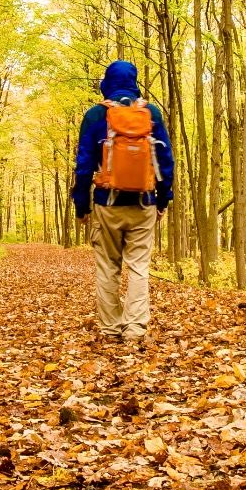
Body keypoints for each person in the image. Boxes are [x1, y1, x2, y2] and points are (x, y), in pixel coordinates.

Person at [72, 60, 174, 342]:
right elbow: (165, 162)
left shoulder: (95, 116)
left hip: (107, 203)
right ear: (134, 80)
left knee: (108, 267)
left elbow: (83, 166)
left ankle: (110, 328)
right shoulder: (150, 113)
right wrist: (164, 199)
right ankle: (135, 329)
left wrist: (81, 206)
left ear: (107, 82)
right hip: (144, 202)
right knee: (139, 267)